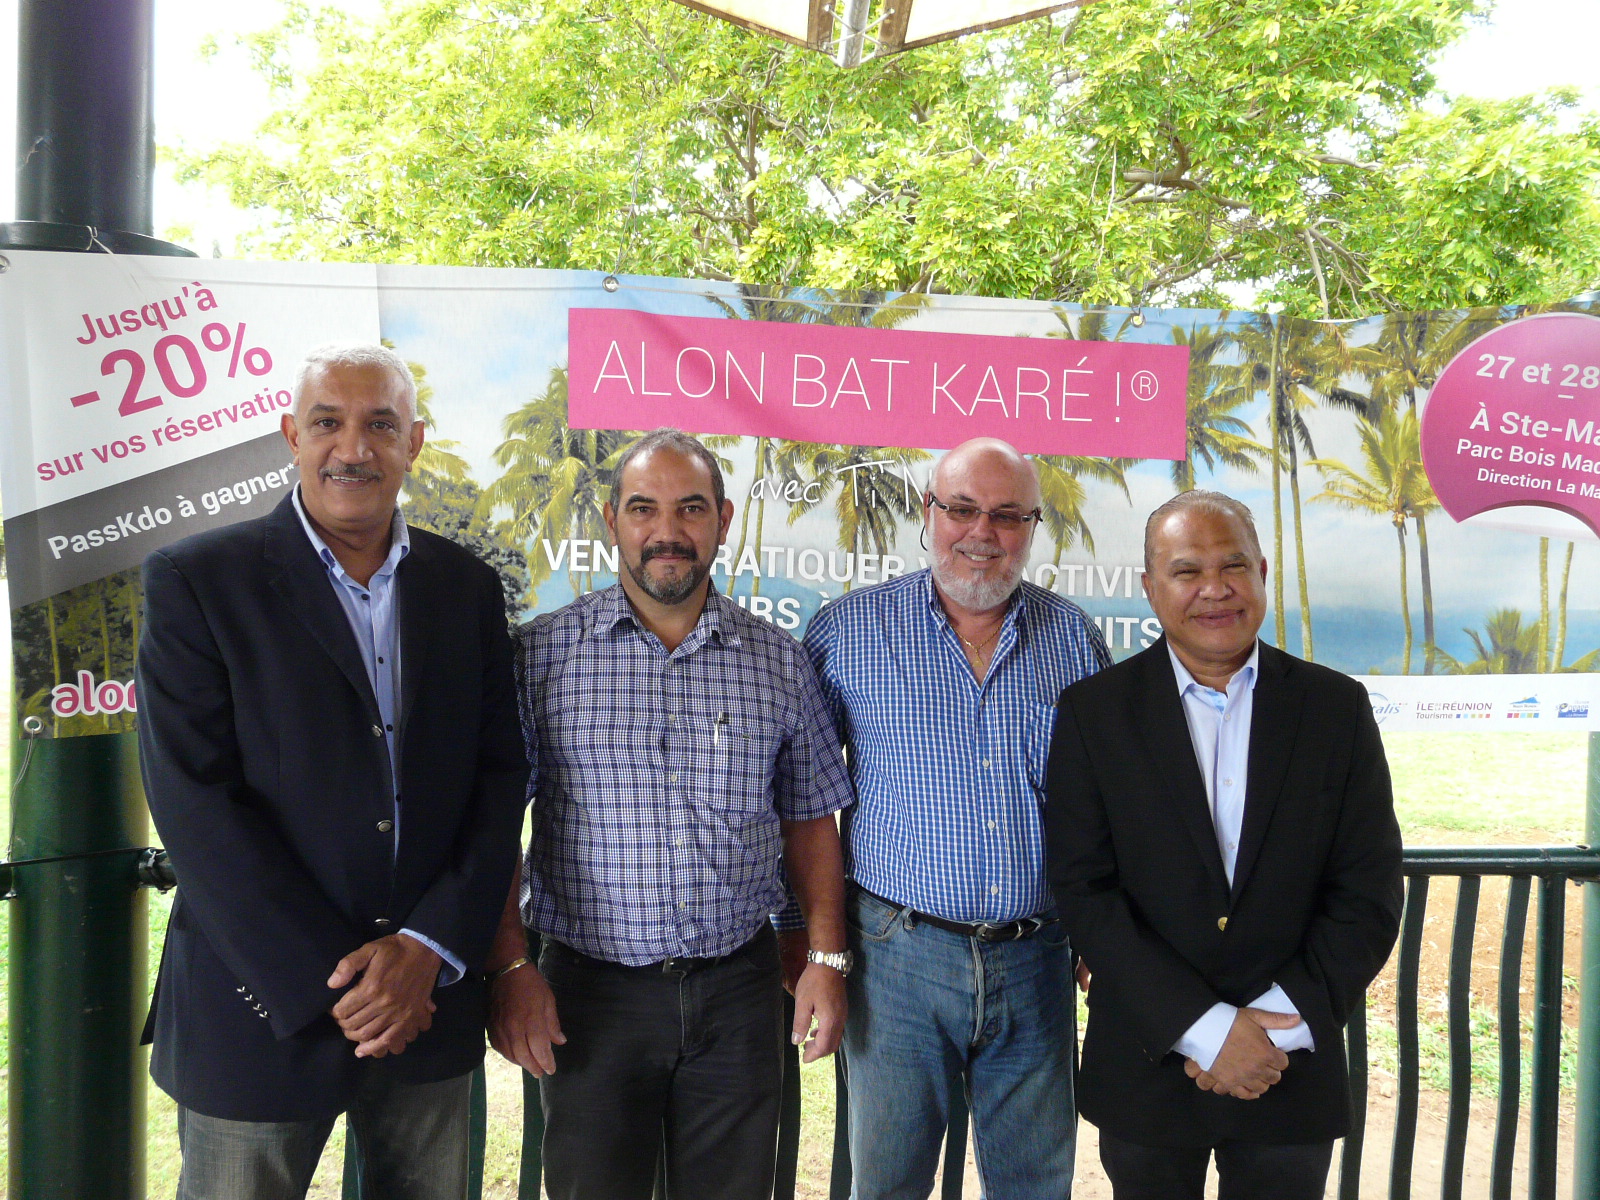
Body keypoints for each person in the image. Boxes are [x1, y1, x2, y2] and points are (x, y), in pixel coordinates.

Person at [136, 343, 529, 1200]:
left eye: (380, 425)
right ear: (290, 435)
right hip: (259, 1005)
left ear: (413, 443)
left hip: (428, 1005)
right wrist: (348, 983)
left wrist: (424, 951)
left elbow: (499, 782)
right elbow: (193, 801)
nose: (353, 448)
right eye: (328, 423)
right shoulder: (197, 580)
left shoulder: (465, 589)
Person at [485, 428, 854, 1200]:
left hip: (739, 992)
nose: (667, 532)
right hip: (590, 995)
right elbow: (492, 828)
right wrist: (511, 967)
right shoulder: (541, 658)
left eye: (690, 509)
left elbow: (810, 817)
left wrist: (824, 959)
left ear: (721, 519)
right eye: (644, 509)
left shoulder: (776, 661)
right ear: (612, 519)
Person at [1045, 490, 1404, 1200]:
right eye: (1186, 571)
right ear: (1150, 589)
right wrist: (1205, 1031)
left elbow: (1367, 892)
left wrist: (1267, 1034)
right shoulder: (1094, 712)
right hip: (1151, 1061)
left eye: (1233, 565)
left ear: (1263, 572)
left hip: (1288, 1066)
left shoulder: (1336, 708)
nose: (1215, 589)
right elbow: (1085, 891)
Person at [797, 436, 1111, 1200]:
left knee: (1037, 1187)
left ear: (1034, 527)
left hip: (1038, 962)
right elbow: (801, 803)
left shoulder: (1075, 642)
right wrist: (822, 955)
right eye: (962, 508)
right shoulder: (847, 634)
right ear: (928, 512)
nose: (983, 532)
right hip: (895, 961)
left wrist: (1103, 936)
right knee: (888, 1184)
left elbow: (1108, 807)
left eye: (1007, 515)